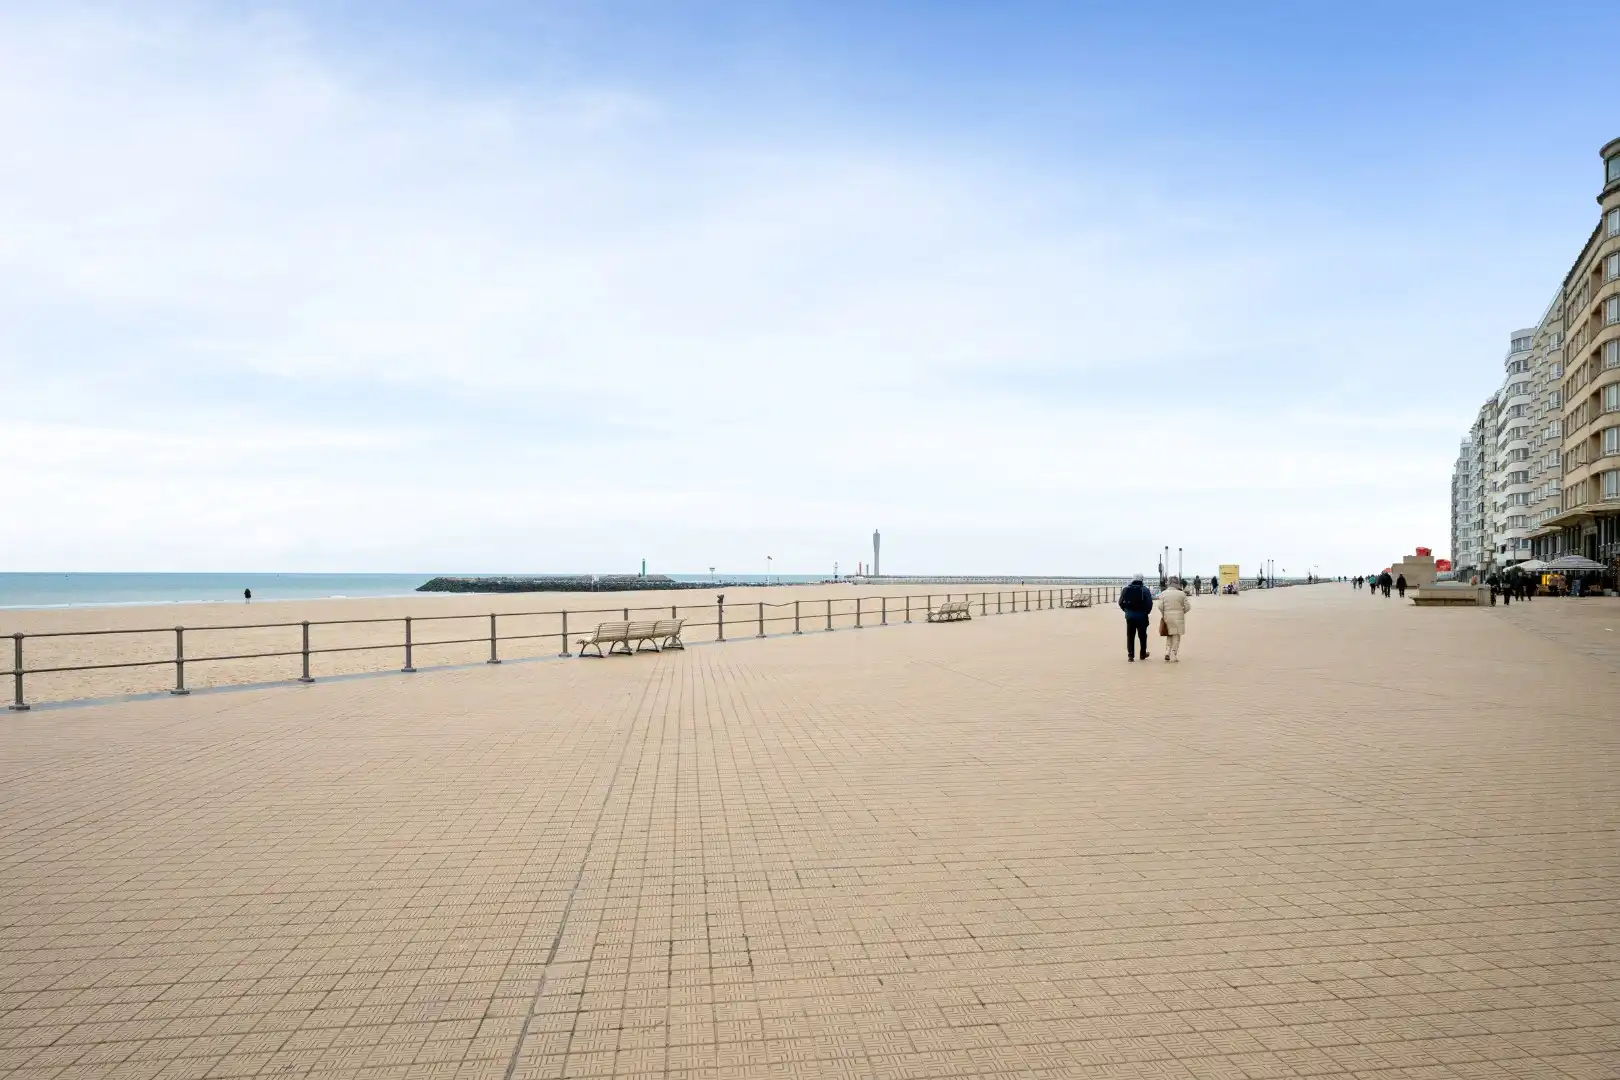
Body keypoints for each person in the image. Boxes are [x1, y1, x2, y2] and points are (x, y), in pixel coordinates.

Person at [1118, 573, 1154, 662]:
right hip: (1142, 616)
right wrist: (1146, 613)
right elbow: (1149, 604)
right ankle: (1142, 654)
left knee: (1130, 636)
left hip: (1130, 617)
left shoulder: (1126, 589)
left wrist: (1127, 611)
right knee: (1142, 636)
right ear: (1142, 579)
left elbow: (1120, 602)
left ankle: (1130, 656)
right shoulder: (1145, 590)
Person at [1157, 577, 1191, 662]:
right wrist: (1182, 612)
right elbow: (1188, 607)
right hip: (1178, 617)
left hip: (1167, 616)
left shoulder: (1163, 593)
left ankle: (1167, 652)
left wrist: (1163, 613)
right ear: (1177, 584)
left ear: (1169, 583)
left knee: (1169, 634)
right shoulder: (1181, 594)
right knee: (1176, 635)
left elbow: (1159, 606)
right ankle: (1174, 654)